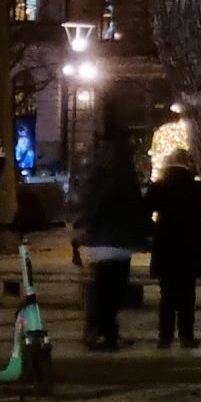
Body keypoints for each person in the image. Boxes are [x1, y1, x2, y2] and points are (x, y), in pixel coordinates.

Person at [76, 147, 149, 351]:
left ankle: (101, 330)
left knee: (101, 289)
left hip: (100, 242)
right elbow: (136, 209)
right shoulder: (125, 180)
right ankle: (107, 333)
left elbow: (89, 206)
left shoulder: (95, 179)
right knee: (113, 291)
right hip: (120, 242)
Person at [144, 151, 201, 349]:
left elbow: (144, 211)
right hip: (190, 246)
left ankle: (164, 336)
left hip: (166, 245)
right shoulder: (197, 188)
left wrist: (155, 230)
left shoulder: (159, 187)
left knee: (167, 295)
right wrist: (200, 231)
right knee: (187, 294)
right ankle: (186, 335)